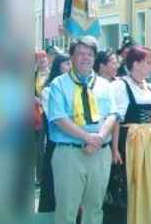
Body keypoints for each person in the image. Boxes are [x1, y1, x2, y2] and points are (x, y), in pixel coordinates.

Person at [46, 36, 120, 224]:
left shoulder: (105, 84)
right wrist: (87, 137)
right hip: (69, 153)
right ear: (71, 56)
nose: (85, 58)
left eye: (89, 54)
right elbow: (59, 118)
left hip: (100, 153)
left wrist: (99, 138)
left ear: (95, 58)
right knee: (66, 211)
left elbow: (112, 115)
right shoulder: (58, 84)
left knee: (95, 209)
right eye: (80, 53)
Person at [105, 45, 151, 224]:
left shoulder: (148, 86)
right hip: (129, 140)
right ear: (136, 64)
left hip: (148, 141)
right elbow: (116, 119)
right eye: (148, 62)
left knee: (149, 183)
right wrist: (114, 149)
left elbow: (149, 120)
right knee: (131, 183)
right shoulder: (121, 85)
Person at [37, 52, 71, 214]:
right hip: (56, 141)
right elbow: (54, 116)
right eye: (67, 64)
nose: (70, 67)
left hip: (73, 140)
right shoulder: (49, 89)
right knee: (54, 180)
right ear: (58, 66)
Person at [35, 50, 50, 186]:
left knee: (50, 144)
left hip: (50, 114)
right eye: (39, 59)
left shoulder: (53, 74)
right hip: (37, 115)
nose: (42, 61)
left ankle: (49, 173)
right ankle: (40, 175)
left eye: (44, 58)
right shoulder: (33, 75)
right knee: (38, 146)